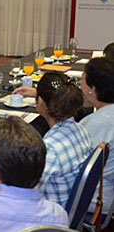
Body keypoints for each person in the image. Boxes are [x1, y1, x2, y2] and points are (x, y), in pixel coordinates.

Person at [36, 72, 92, 207]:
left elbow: (28, 191)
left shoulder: (50, 148)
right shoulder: (81, 129)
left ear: (41, 102)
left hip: (52, 217)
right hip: (74, 207)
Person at [79, 57, 114, 213]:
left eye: (82, 80)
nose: (80, 85)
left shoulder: (92, 125)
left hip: (96, 199)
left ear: (92, 88)